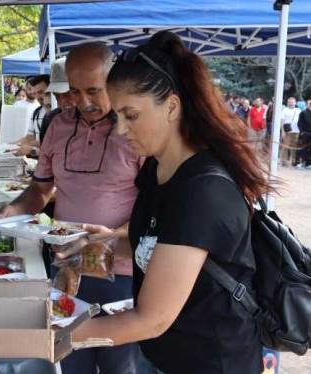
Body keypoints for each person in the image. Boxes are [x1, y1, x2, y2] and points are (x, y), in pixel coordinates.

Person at [66, 31, 268, 374]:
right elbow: (157, 245)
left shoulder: (201, 192)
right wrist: (107, 239)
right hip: (164, 357)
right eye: (117, 116)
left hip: (213, 362)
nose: (120, 130)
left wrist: (57, 335)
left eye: (131, 115)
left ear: (172, 106)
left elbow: (153, 319)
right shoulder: (157, 170)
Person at [0, 42, 142, 374]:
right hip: (66, 269)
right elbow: (40, 189)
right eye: (74, 91)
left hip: (121, 273)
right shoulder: (58, 125)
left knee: (120, 364)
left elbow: (156, 210)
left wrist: (112, 238)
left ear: (114, 83)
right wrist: (14, 210)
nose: (83, 102)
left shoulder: (135, 128)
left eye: (94, 91)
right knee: (69, 359)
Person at [280, 97, 301, 166]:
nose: (291, 103)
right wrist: (282, 131)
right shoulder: (284, 110)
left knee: (294, 147)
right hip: (287, 131)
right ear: (287, 103)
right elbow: (282, 121)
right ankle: (283, 161)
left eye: (293, 102)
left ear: (295, 103)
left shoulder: (298, 110)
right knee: (285, 146)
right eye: (290, 102)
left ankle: (293, 161)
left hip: (296, 131)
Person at [297, 99, 311, 168]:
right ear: (307, 104)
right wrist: (302, 132)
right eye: (309, 103)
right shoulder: (303, 113)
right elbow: (299, 123)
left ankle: (309, 163)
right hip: (305, 133)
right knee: (303, 148)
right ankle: (302, 162)